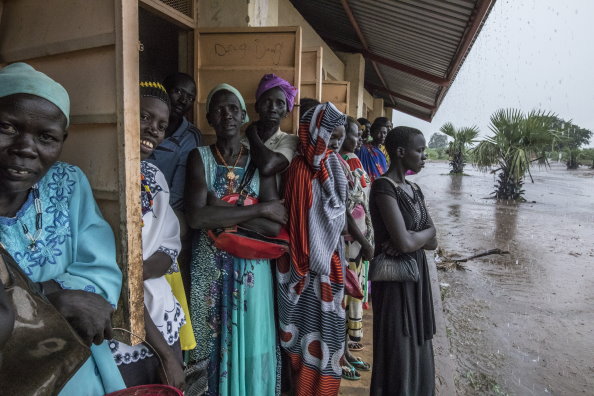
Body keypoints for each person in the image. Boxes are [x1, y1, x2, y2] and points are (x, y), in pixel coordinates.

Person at [0, 62, 125, 395]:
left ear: (62, 140)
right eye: (8, 128)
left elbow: (99, 270)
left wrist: (65, 296)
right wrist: (52, 298)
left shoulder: (67, 182)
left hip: (75, 364)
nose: (26, 148)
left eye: (46, 137)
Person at [185, 83, 287, 395]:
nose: (227, 114)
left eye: (233, 108)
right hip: (209, 269)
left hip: (251, 270)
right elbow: (197, 218)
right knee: (208, 340)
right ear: (208, 118)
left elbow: (273, 228)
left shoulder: (259, 161)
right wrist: (261, 208)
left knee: (251, 341)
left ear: (244, 115)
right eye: (219, 108)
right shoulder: (199, 157)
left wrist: (221, 209)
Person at [109, 81, 186, 389]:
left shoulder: (154, 176)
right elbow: (112, 272)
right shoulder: (100, 179)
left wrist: (134, 273)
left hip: (160, 314)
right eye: (144, 117)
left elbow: (169, 249)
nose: (153, 129)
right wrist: (167, 356)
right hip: (120, 325)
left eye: (161, 125)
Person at [277, 102, 348, 396]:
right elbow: (338, 216)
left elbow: (335, 215)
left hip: (314, 267)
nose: (331, 143)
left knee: (317, 336)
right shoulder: (301, 166)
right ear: (312, 133)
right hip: (309, 265)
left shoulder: (327, 164)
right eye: (328, 135)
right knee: (307, 337)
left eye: (336, 138)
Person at [368, 127, 438, 396]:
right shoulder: (383, 187)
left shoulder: (414, 189)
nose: (424, 156)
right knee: (399, 343)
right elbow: (406, 243)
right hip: (395, 280)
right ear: (399, 152)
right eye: (419, 150)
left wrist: (416, 236)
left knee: (418, 343)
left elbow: (433, 240)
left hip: (417, 278)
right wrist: (417, 237)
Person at [338, 117, 373, 372]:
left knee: (351, 293)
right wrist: (364, 241)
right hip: (347, 243)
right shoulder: (340, 163)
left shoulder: (350, 161)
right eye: (354, 134)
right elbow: (345, 210)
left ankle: (346, 351)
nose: (358, 139)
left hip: (356, 243)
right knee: (344, 297)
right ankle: (342, 353)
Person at [147, 72, 202, 211]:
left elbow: (178, 194)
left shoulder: (189, 136)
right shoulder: (143, 123)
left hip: (165, 211)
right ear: (163, 89)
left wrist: (156, 216)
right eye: (178, 92)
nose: (183, 101)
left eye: (190, 98)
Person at [243, 74, 299, 185]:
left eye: (280, 103)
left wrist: (252, 134)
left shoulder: (290, 140)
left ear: (287, 112)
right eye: (266, 102)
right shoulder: (241, 141)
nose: (272, 108)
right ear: (256, 107)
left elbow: (268, 166)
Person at [356, 117, 389, 182]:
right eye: (379, 132)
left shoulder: (381, 152)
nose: (382, 136)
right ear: (372, 133)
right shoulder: (362, 149)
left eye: (384, 133)